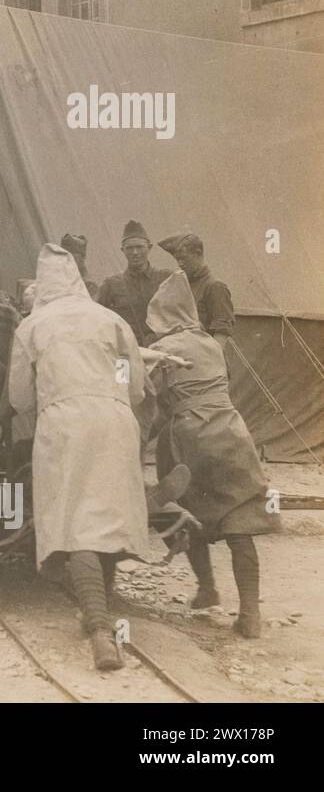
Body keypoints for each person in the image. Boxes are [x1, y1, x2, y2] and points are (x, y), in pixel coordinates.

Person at [8, 244, 150, 672]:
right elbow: (135, 381)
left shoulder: (33, 326)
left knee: (77, 523)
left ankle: (100, 628)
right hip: (115, 418)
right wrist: (112, 390)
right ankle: (99, 612)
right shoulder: (111, 320)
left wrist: (52, 385)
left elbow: (19, 398)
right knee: (106, 516)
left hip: (66, 423)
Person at [145, 271, 278, 638]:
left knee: (183, 512)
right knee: (240, 522)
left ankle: (207, 588)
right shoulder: (209, 343)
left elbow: (158, 405)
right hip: (231, 431)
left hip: (190, 438)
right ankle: (250, 613)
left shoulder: (163, 350)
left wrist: (141, 440)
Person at [96, 219, 169, 346]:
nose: (135, 253)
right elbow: (97, 317)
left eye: (139, 247)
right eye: (129, 248)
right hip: (127, 351)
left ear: (149, 247)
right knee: (121, 367)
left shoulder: (165, 278)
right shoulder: (111, 285)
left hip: (165, 350)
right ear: (122, 250)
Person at [158, 233, 235, 353]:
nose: (180, 264)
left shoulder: (215, 286)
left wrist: (211, 360)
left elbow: (222, 332)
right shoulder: (181, 285)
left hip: (207, 360)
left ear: (198, 254)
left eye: (184, 258)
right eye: (178, 259)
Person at [59, 233, 98, 298]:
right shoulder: (58, 278)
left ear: (82, 257)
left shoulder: (89, 285)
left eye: (71, 255)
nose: (66, 260)